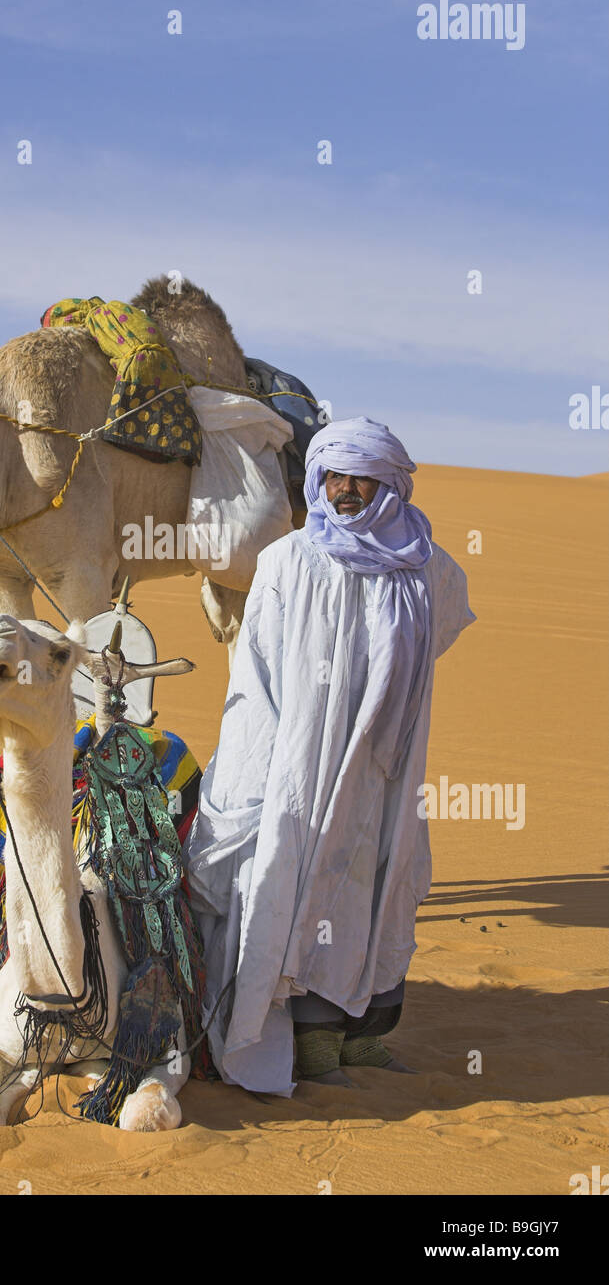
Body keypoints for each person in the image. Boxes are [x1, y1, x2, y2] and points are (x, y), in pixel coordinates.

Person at [185, 416, 475, 1093]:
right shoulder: (290, 560)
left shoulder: (430, 566)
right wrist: (255, 769)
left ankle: (361, 1037)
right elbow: (254, 670)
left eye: (361, 477)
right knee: (309, 884)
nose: (345, 490)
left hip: (387, 767)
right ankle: (311, 1040)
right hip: (302, 763)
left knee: (381, 883)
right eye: (333, 476)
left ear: (390, 482)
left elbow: (439, 634)